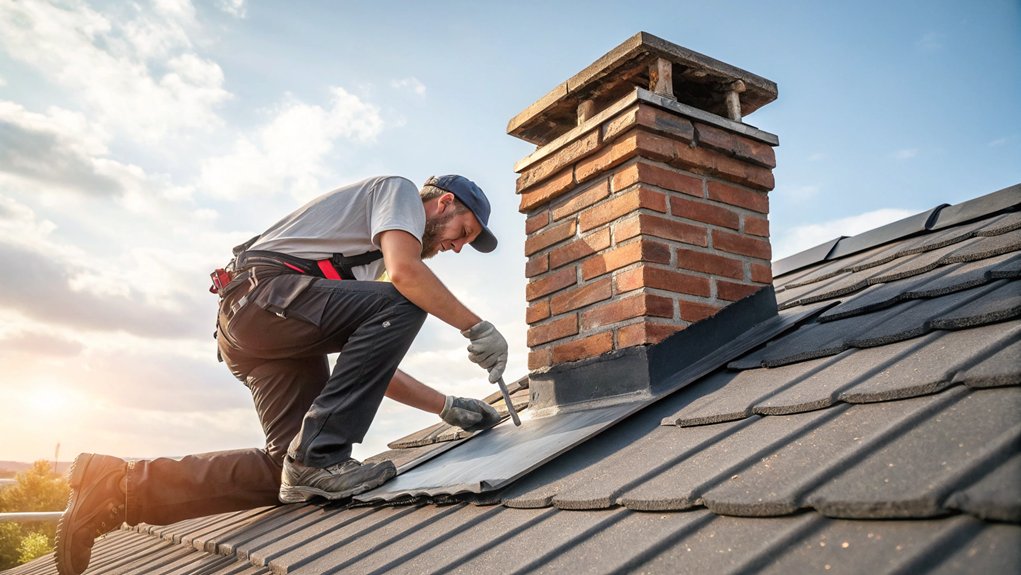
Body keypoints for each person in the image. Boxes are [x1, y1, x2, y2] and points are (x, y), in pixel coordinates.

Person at [54, 175, 510, 575]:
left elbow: (371, 362)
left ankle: (118, 487)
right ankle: (320, 456)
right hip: (264, 298)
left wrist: (446, 407)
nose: (455, 247)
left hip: (265, 327)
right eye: (463, 232)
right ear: (444, 202)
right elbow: (407, 277)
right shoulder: (399, 192)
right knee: (404, 303)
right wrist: (476, 327)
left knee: (288, 471)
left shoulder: (366, 263)